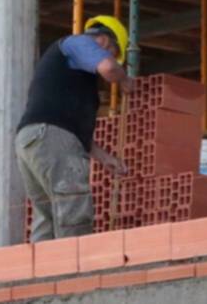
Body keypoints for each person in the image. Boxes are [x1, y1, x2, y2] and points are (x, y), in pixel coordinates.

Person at [15, 16, 133, 241]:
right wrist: (124, 79)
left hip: (32, 140)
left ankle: (43, 272)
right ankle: (75, 271)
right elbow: (109, 68)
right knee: (73, 207)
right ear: (104, 41)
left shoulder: (71, 74)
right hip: (49, 135)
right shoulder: (77, 43)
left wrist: (104, 157)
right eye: (114, 53)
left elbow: (69, 127)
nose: (112, 59)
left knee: (47, 215)